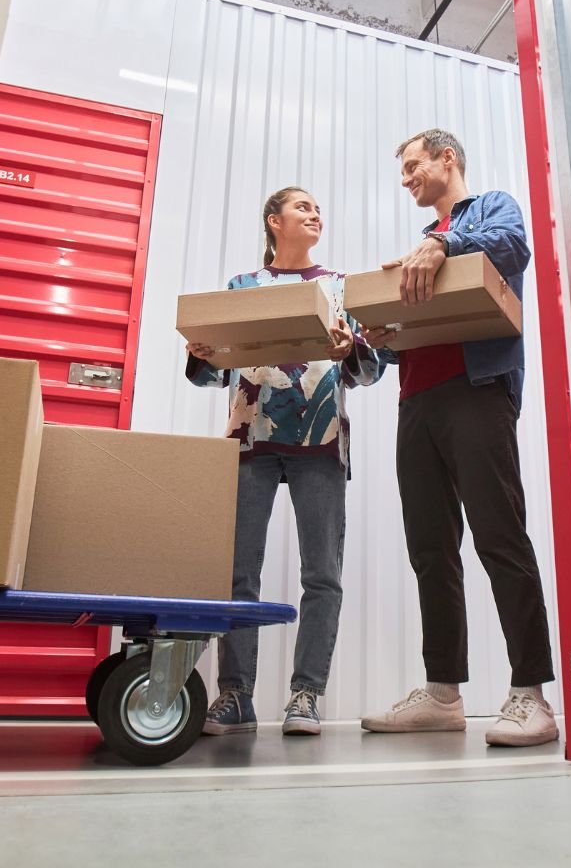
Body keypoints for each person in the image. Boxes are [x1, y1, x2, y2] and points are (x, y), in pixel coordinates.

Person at [358, 129, 558, 748]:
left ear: (449, 159)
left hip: (477, 394)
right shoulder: (422, 249)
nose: (406, 178)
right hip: (416, 401)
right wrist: (377, 340)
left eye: (413, 165)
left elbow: (512, 247)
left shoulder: (489, 208)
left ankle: (532, 695)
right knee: (430, 550)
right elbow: (414, 333)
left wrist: (442, 242)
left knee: (499, 537)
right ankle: (443, 693)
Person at [185, 186, 384, 737]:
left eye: (319, 207)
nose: (316, 213)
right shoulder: (242, 288)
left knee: (322, 575)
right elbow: (213, 374)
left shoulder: (340, 287)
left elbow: (369, 372)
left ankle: (306, 696)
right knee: (237, 574)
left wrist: (352, 352)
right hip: (252, 440)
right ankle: (235, 695)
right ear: (274, 221)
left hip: (320, 441)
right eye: (303, 207)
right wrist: (201, 353)